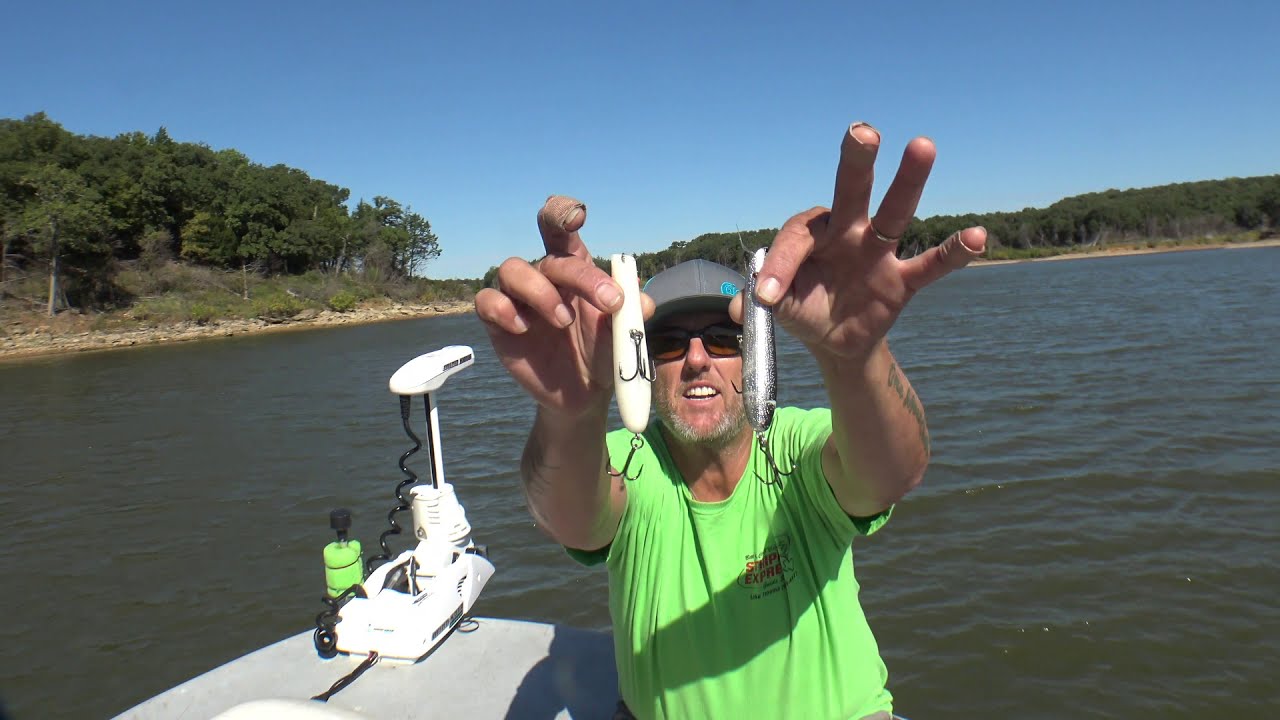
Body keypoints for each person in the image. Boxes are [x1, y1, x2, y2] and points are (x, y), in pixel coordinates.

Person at [475, 122, 986, 720]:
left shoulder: (796, 443)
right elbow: (571, 518)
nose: (697, 359)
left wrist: (855, 359)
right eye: (667, 341)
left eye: (722, 337)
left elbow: (890, 474)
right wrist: (569, 413)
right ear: (636, 357)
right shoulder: (628, 457)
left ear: (755, 347)